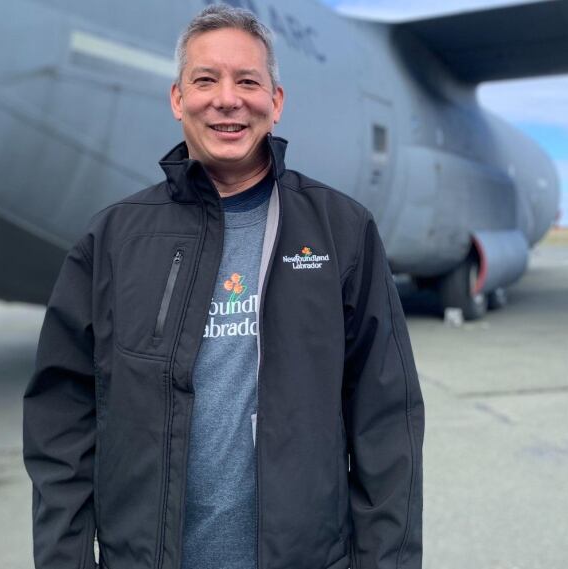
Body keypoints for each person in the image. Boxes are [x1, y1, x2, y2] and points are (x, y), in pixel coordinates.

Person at [23, 4, 424, 569]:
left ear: (276, 103)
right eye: (205, 80)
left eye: (248, 81)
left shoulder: (341, 230)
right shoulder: (113, 238)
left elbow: (388, 420)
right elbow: (61, 418)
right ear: (177, 100)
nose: (227, 99)